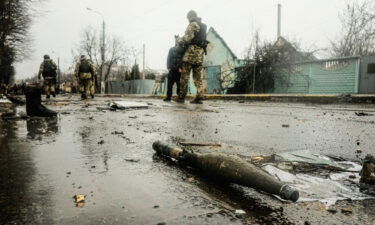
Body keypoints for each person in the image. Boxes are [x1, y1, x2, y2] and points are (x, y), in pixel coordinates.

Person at [176, 10, 208, 104]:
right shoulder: (203, 26)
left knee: (184, 76)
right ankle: (199, 96)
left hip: (191, 54)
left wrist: (178, 40)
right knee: (198, 77)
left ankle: (181, 97)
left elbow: (187, 38)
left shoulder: (193, 24)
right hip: (200, 54)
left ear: (189, 17)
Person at [164, 37, 183, 101]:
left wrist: (181, 67)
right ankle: (168, 97)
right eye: (176, 41)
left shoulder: (182, 49)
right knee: (169, 84)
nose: (177, 42)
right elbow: (168, 58)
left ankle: (179, 97)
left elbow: (182, 59)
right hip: (172, 69)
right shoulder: (171, 49)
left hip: (178, 70)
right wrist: (168, 67)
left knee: (179, 84)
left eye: (178, 41)